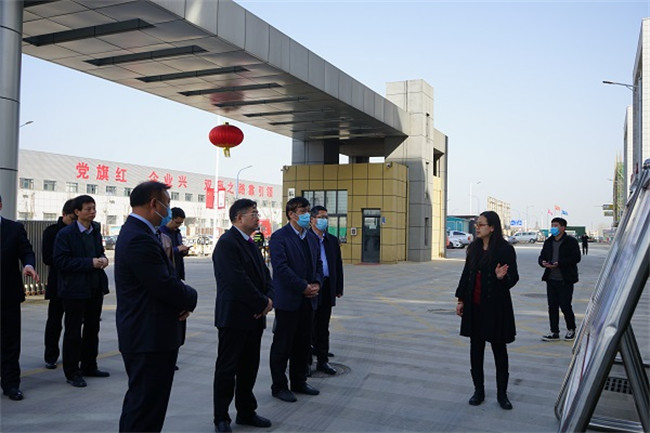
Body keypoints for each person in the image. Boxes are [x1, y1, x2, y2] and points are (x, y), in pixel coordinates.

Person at [115, 181, 197, 433]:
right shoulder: (139, 237)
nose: (168, 211)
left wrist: (180, 299)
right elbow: (162, 283)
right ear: (154, 204)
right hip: (148, 335)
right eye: (167, 204)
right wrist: (189, 297)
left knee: (148, 404)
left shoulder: (142, 233)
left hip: (152, 332)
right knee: (145, 407)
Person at [212, 199, 274, 432]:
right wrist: (262, 302)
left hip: (255, 317)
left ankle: (246, 411)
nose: (257, 218)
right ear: (239, 218)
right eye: (253, 214)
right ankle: (221, 417)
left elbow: (265, 275)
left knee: (249, 367)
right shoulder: (227, 243)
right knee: (227, 369)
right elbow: (236, 281)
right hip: (234, 318)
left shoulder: (250, 241)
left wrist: (269, 298)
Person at [455, 211, 518, 410]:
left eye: (481, 224)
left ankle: (502, 394)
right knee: (476, 349)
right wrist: (461, 299)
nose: (477, 227)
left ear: (492, 227)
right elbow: (466, 274)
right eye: (477, 224)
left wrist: (501, 277)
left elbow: (514, 278)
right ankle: (478, 391)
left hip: (496, 307)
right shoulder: (473, 248)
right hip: (474, 306)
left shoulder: (504, 249)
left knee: (499, 350)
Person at [268, 197, 323, 403]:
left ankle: (299, 381)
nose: (307, 215)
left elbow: (318, 264)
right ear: (291, 214)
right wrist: (303, 287)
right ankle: (279, 386)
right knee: (283, 345)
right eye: (302, 211)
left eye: (308, 211)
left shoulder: (311, 238)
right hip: (289, 301)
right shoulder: (279, 237)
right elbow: (281, 268)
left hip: (309, 301)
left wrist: (317, 283)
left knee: (303, 344)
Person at [54, 194, 110, 388]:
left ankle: (89, 365)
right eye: (88, 209)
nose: (92, 212)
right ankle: (72, 371)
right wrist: (90, 263)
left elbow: (99, 252)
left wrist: (103, 259)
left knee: (93, 328)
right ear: (77, 212)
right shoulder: (65, 234)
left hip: (95, 287)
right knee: (73, 331)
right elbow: (61, 261)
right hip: (74, 289)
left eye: (94, 208)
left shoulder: (95, 230)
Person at [0, 195, 40, 401]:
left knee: (10, 342)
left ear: (0, 205)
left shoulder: (14, 229)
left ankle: (11, 384)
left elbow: (26, 251)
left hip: (7, 295)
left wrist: (29, 265)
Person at [308, 206, 344, 376]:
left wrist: (338, 287)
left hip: (328, 286)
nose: (324, 220)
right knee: (308, 326)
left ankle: (323, 361)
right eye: (321, 217)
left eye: (326, 217)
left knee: (323, 326)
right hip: (311, 287)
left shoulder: (332, 240)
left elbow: (337, 265)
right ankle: (306, 362)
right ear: (312, 220)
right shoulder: (306, 238)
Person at [41, 198, 76, 369]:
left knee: (74, 323)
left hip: (77, 284)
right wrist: (69, 261)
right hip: (58, 283)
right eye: (72, 218)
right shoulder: (52, 232)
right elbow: (47, 258)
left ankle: (73, 357)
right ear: (64, 214)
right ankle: (51, 356)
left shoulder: (81, 231)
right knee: (54, 321)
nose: (74, 223)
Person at [538, 217, 581, 342]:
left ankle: (571, 329)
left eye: (556, 225)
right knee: (552, 307)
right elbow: (542, 256)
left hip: (565, 279)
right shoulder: (548, 241)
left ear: (563, 227)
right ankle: (554, 332)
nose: (553, 228)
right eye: (552, 225)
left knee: (565, 306)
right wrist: (543, 263)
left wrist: (560, 263)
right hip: (551, 279)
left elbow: (576, 258)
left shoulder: (571, 241)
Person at [159, 206, 191, 369]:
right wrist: (177, 250)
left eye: (180, 224)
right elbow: (163, 253)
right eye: (176, 222)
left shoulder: (176, 233)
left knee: (178, 320)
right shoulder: (160, 233)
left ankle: (172, 357)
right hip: (166, 278)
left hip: (177, 275)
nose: (178, 226)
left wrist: (183, 251)